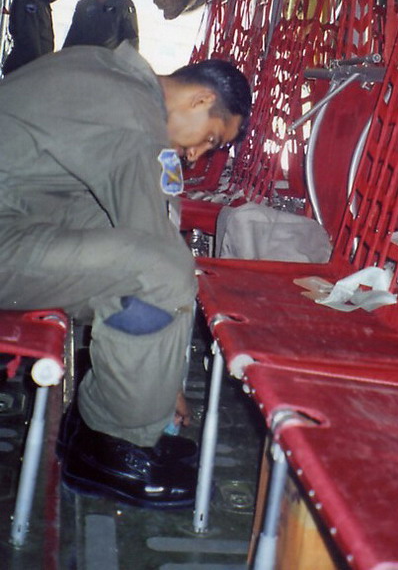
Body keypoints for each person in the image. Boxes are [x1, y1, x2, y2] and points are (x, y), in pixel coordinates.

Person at [0, 44, 251, 508]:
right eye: (211, 139)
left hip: (17, 214)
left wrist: (156, 371)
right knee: (160, 272)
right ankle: (114, 448)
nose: (196, 156)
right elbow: (156, 239)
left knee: (122, 236)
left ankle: (96, 422)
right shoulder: (136, 120)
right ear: (198, 100)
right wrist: (164, 380)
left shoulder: (105, 69)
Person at [2, 0, 73, 75]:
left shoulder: (42, 3)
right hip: (23, 71)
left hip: (32, 71)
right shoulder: (31, 1)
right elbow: (29, 40)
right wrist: (40, 71)